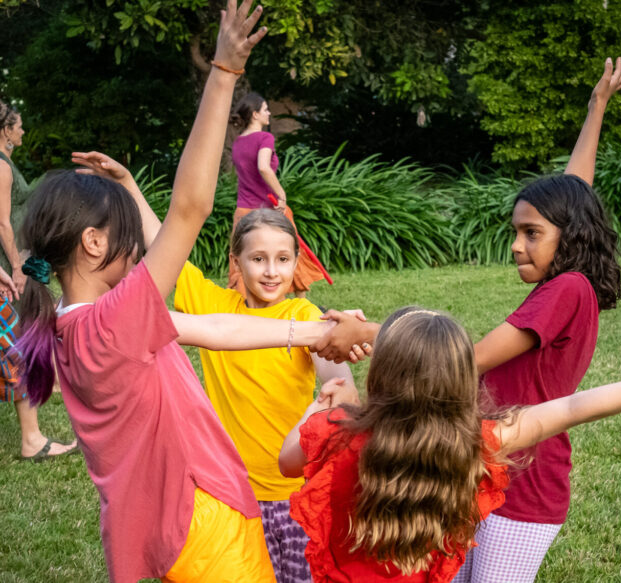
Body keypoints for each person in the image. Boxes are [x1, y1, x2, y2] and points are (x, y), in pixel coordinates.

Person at [12, 4, 363, 582]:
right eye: (129, 236)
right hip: (206, 528)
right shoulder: (112, 322)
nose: (141, 249)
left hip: (165, 528)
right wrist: (224, 73)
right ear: (95, 243)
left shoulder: (74, 324)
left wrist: (318, 331)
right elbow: (191, 208)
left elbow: (216, 329)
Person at [310, 57, 621, 583]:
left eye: (531, 233)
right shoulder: (570, 281)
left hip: (523, 486)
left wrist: (369, 333)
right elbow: (574, 191)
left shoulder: (567, 289)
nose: (516, 245)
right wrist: (596, 107)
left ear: (568, 234)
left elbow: (465, 357)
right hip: (485, 469)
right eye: (517, 230)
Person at [279, 307, 621, 583]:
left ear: (382, 374)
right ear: (462, 377)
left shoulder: (337, 430)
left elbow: (287, 462)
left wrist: (319, 408)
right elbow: (575, 407)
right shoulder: (477, 442)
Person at [172, 207, 359, 582]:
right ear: (236, 263)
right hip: (233, 498)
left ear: (296, 262)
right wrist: (127, 183)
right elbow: (166, 248)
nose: (272, 271)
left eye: (283, 259)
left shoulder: (304, 313)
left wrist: (336, 395)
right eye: (258, 259)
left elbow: (342, 385)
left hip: (296, 497)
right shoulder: (213, 308)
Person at [0, 98, 77, 460]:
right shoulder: (0, 166)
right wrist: (16, 267)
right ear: (6, 130)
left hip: (16, 259)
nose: (23, 130)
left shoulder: (7, 163)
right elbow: (2, 223)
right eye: (18, 125)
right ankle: (31, 440)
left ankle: (52, 384)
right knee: (17, 341)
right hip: (9, 263)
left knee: (24, 333)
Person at [228, 92, 326, 296]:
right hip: (269, 208)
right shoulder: (265, 137)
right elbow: (263, 167)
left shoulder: (238, 142)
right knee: (287, 253)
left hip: (243, 211)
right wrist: (281, 194)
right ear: (255, 114)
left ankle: (248, 308)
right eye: (265, 109)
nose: (269, 113)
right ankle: (300, 305)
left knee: (247, 258)